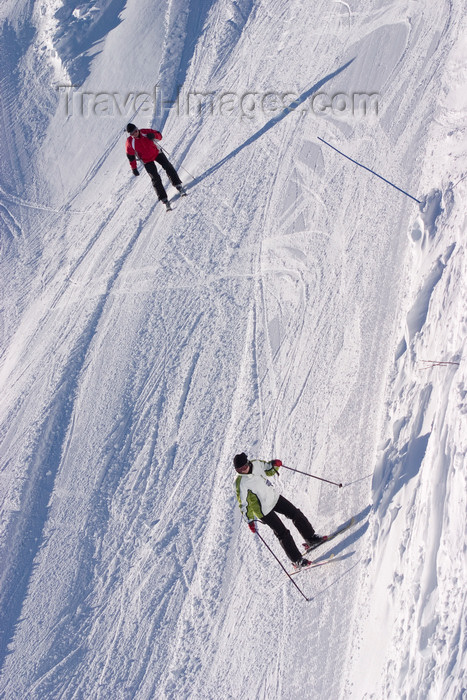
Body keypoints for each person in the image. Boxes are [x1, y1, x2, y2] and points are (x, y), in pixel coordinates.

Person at [234, 452, 324, 569]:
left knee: (295, 513)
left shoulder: (256, 464)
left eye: (244, 467)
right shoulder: (240, 482)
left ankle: (310, 538)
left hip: (273, 497)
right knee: (282, 533)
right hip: (263, 510)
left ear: (248, 463)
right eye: (239, 469)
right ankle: (297, 560)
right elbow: (243, 503)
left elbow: (268, 469)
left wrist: (274, 465)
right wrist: (250, 520)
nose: (243, 470)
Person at [125, 123, 186, 210]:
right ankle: (164, 199)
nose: (135, 134)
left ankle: (178, 185)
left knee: (168, 166)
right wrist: (134, 168)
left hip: (157, 153)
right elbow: (130, 157)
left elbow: (159, 136)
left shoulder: (145, 132)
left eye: (135, 131)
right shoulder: (130, 142)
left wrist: (153, 135)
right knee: (155, 178)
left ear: (137, 129)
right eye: (132, 133)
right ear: (130, 134)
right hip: (146, 160)